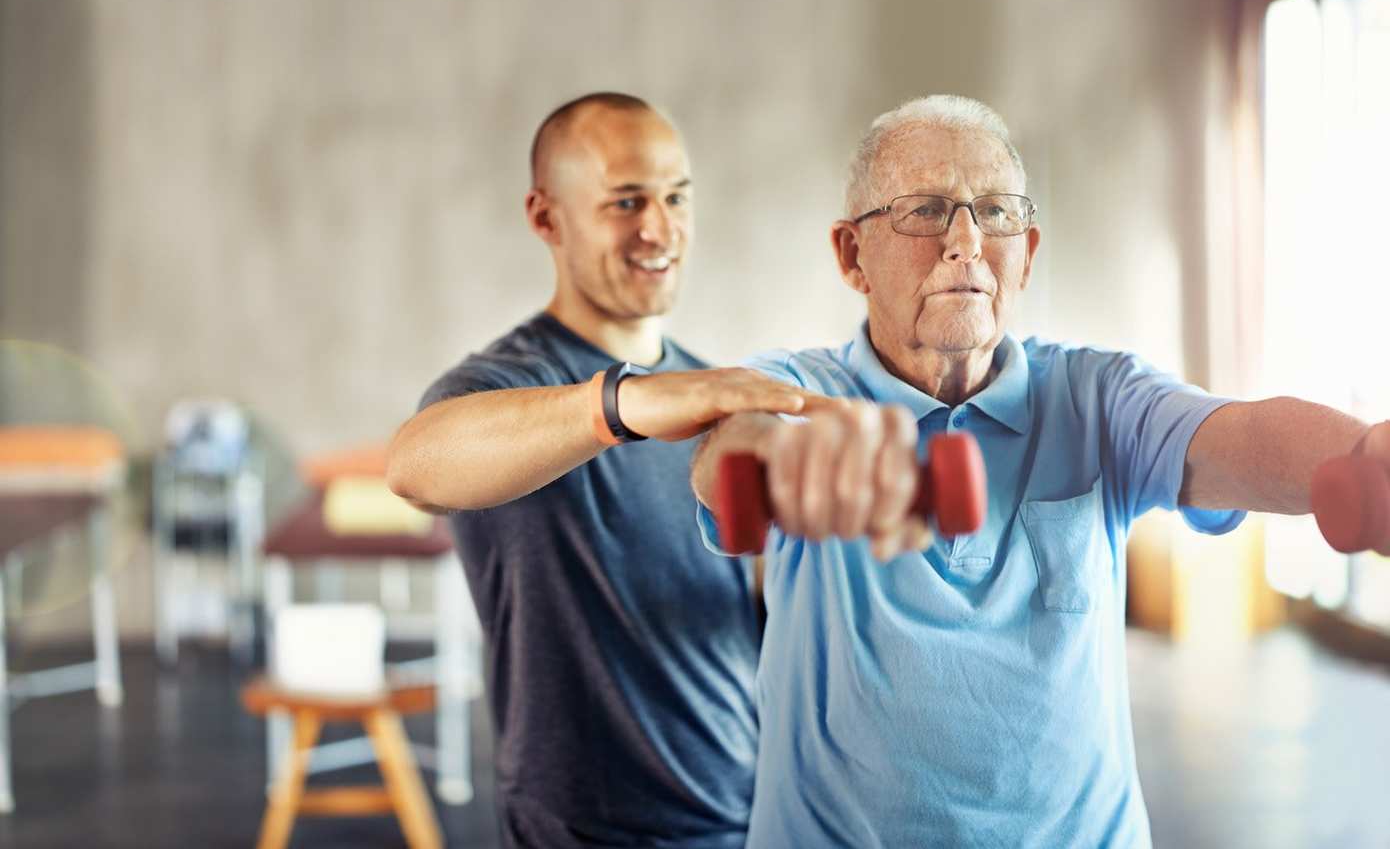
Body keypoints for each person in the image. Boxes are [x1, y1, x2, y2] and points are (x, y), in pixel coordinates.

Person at [690, 94, 1390, 848]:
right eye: (925, 209)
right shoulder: (800, 385)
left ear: (1026, 250)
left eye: (994, 213)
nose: (965, 241)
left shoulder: (1099, 397)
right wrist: (782, 458)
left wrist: (1361, 459)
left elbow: (1239, 434)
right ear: (850, 254)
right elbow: (736, 437)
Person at [387, 92, 823, 848]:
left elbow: (739, 611)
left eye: (674, 196)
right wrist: (620, 407)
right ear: (546, 218)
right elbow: (415, 463)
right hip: (587, 831)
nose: (658, 228)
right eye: (625, 202)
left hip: (747, 815)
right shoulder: (503, 384)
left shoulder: (711, 392)